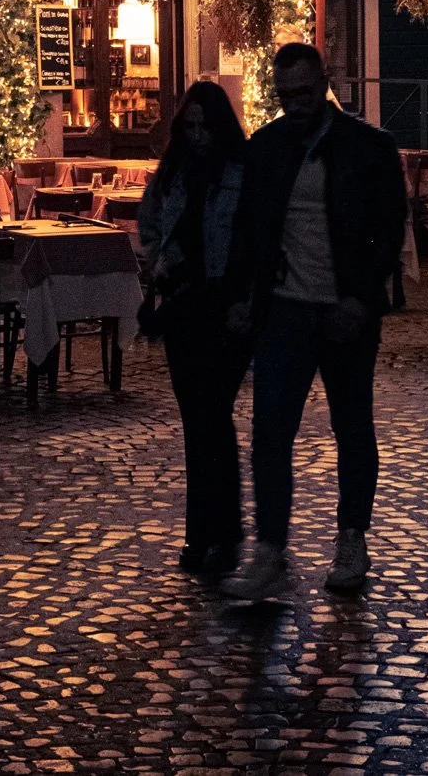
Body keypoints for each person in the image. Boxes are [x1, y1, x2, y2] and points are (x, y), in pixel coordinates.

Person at [222, 42, 408, 599]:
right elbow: (252, 230)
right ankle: (271, 548)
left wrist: (362, 298)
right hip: (285, 308)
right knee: (271, 431)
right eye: (285, 96)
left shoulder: (367, 147)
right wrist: (242, 296)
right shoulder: (269, 147)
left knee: (352, 425)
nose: (295, 104)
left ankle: (351, 537)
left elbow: (389, 230)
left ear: (324, 82)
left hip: (344, 307)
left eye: (304, 93)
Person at [138, 80, 252, 576]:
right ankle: (206, 535)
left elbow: (253, 240)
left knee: (213, 417)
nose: (200, 135)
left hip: (224, 309)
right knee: (199, 424)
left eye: (207, 126)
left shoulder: (241, 173)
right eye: (191, 126)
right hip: (184, 307)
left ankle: (217, 536)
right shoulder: (174, 175)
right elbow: (150, 225)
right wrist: (163, 261)